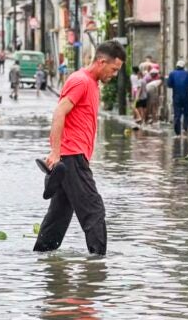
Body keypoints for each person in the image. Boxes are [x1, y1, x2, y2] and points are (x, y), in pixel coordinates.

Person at [33, 40, 126, 256]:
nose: (114, 75)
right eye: (114, 69)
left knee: (59, 215)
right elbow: (59, 113)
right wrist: (55, 152)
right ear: (102, 62)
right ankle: (98, 265)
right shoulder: (81, 81)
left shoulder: (91, 83)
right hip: (72, 157)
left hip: (72, 158)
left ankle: (41, 257)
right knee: (94, 210)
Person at [166, 60, 188, 136]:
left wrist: (175, 86)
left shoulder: (172, 74)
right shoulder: (187, 73)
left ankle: (177, 131)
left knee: (177, 113)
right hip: (186, 96)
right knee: (187, 112)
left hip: (176, 96)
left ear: (176, 66)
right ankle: (185, 127)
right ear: (183, 66)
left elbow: (169, 84)